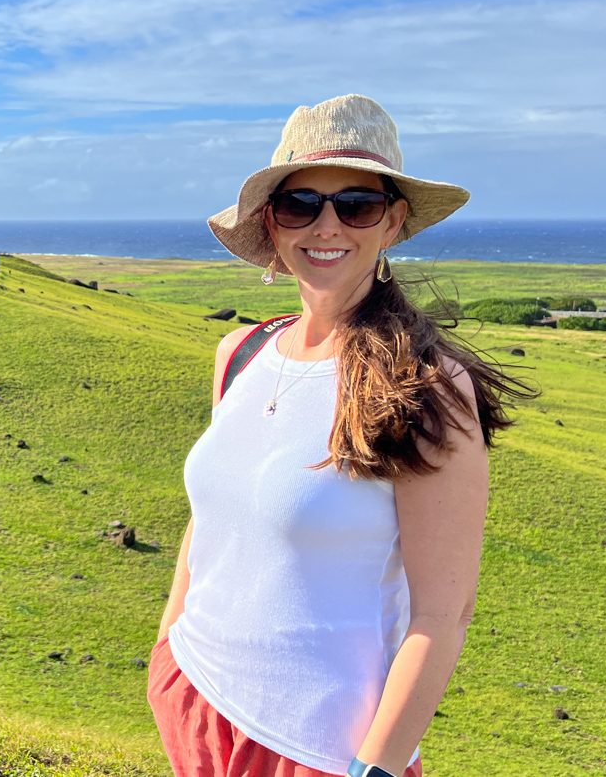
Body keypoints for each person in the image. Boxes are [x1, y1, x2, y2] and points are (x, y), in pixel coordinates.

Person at [150, 95, 535, 777]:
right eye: (301, 203)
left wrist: (375, 768)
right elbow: (212, 519)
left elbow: (443, 617)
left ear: (391, 222)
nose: (326, 225)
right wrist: (167, 646)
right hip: (195, 697)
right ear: (272, 222)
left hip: (318, 753)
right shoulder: (240, 353)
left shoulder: (426, 387)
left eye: (356, 204)